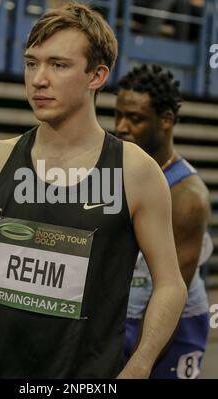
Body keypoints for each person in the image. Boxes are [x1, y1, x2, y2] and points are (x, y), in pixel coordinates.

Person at [0, 3, 187, 378]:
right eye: (32, 63)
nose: (38, 78)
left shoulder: (135, 172)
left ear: (96, 76)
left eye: (58, 65)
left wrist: (140, 364)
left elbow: (170, 285)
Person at [115, 64, 213, 379]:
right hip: (125, 312)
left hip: (171, 325)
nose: (120, 127)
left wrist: (140, 361)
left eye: (135, 118)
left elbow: (170, 294)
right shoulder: (118, 170)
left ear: (166, 120)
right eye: (118, 115)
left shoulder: (187, 198)